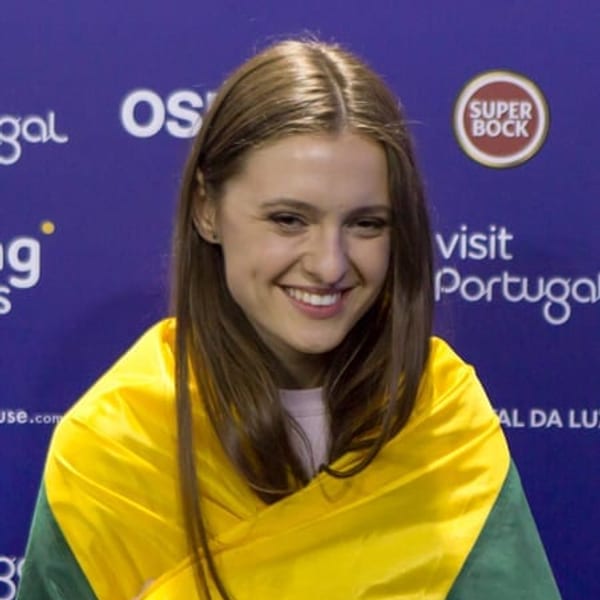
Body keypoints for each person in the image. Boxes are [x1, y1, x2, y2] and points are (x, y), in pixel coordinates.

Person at [17, 39, 561, 600]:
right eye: (288, 219)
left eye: (367, 224)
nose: (330, 265)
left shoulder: (445, 428)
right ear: (207, 210)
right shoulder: (113, 444)